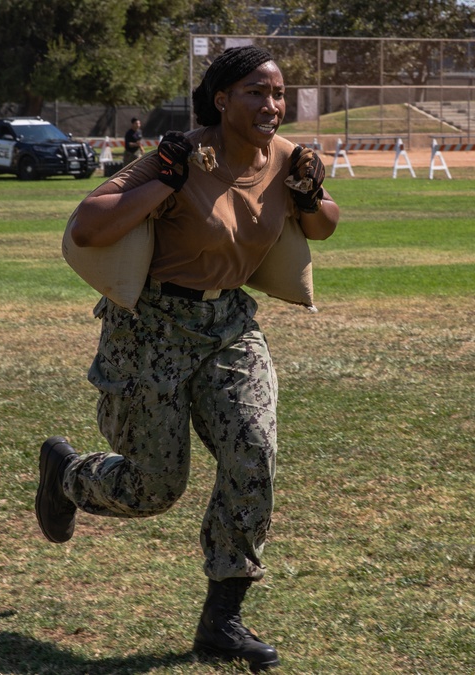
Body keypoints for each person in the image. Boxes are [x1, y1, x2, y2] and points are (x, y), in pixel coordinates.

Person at [34, 45, 339, 671]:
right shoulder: (179, 154)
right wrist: (165, 180)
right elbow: (89, 227)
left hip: (229, 325)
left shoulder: (286, 160)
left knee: (254, 450)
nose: (272, 105)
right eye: (256, 92)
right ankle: (67, 475)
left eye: (279, 94)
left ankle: (222, 620)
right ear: (222, 99)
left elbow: (324, 227)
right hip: (151, 329)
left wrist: (310, 196)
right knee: (153, 488)